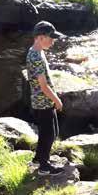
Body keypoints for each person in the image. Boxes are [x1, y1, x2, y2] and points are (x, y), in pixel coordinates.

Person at [26, 21, 67, 176]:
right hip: (43, 102)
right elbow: (43, 86)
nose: (53, 41)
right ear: (40, 37)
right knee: (49, 134)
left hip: (43, 101)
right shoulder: (35, 56)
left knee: (49, 132)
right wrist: (57, 100)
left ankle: (38, 157)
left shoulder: (37, 51)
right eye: (51, 38)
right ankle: (44, 166)